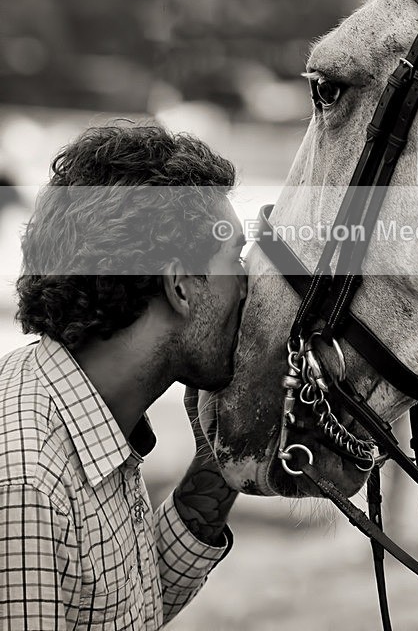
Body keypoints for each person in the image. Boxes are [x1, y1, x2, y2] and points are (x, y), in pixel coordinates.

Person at [0, 124, 247, 630]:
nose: (248, 290)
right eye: (235, 262)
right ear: (180, 285)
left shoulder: (87, 410)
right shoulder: (27, 482)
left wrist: (218, 458)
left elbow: (121, 606)